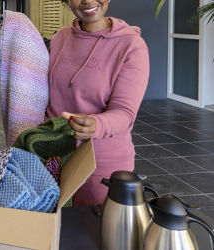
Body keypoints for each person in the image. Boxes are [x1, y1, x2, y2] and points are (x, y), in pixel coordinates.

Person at [46, 0, 150, 206]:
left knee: (91, 234)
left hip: (99, 162)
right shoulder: (60, 37)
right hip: (52, 157)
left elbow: (125, 113)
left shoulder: (131, 46)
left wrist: (96, 125)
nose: (87, 1)